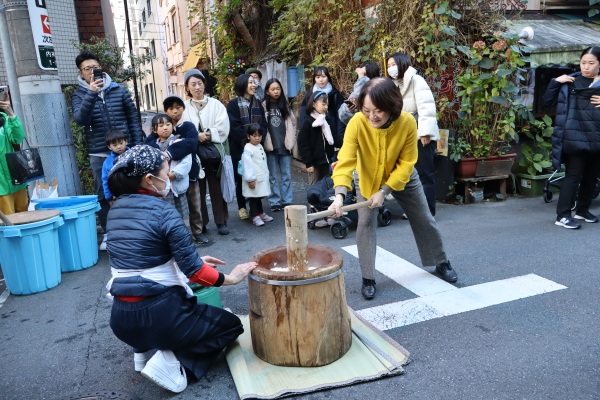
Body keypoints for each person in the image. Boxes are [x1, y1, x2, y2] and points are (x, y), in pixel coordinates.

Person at [105, 145, 257, 393]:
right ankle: (172, 361)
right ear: (149, 179)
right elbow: (195, 272)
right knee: (231, 326)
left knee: (140, 294)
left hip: (122, 321)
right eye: (166, 171)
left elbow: (140, 260)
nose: (169, 176)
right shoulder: (165, 211)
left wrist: (182, 260)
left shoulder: (116, 210)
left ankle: (141, 354)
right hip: (161, 317)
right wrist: (231, 278)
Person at [329, 78, 458, 300]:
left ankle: (440, 262)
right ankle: (368, 278)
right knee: (366, 223)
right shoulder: (357, 123)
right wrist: (339, 195)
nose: (372, 116)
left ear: (392, 106)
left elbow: (408, 162)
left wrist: (385, 191)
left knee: (424, 217)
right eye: (367, 110)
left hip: (403, 176)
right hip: (368, 177)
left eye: (378, 111)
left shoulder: (407, 122)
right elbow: (346, 160)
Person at [71, 50, 144, 249]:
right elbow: (80, 120)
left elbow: (133, 119)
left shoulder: (118, 90)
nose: (92, 71)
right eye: (87, 69)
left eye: (95, 67)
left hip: (125, 150)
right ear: (81, 73)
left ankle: (137, 230)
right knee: (103, 194)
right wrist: (92, 94)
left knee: (131, 189)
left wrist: (136, 146)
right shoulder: (79, 95)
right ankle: (108, 234)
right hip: (99, 153)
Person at [542, 46, 600, 229]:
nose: (586, 67)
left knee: (591, 177)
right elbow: (546, 103)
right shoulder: (570, 82)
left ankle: (582, 210)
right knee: (573, 176)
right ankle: (563, 215)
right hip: (575, 136)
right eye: (583, 62)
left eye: (591, 63)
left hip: (597, 136)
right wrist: (555, 82)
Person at [388, 52, 440, 216]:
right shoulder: (394, 85)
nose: (391, 69)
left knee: (424, 174)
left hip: (420, 134)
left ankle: (428, 211)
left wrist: (425, 133)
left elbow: (427, 107)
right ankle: (413, 210)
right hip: (404, 136)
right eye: (388, 66)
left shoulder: (416, 80)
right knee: (408, 173)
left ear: (402, 64)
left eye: (393, 65)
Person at [181, 69, 231, 236]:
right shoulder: (184, 107)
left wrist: (208, 134)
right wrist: (196, 135)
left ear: (204, 84)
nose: (197, 87)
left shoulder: (216, 104)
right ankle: (201, 223)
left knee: (217, 187)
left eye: (200, 83)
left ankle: (221, 220)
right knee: (197, 189)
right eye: (193, 84)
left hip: (213, 150)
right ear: (187, 87)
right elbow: (180, 129)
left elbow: (223, 125)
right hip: (194, 154)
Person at [160, 94, 207, 243]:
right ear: (165, 110)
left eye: (178, 107)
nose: (175, 111)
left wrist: (168, 153)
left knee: (195, 205)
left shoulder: (187, 126)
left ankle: (197, 232)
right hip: (168, 176)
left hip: (190, 172)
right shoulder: (162, 128)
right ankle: (178, 236)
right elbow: (151, 145)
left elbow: (191, 144)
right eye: (171, 108)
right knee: (173, 208)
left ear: (183, 108)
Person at [227, 74, 268, 221]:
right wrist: (247, 142)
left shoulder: (258, 103)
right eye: (250, 82)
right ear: (243, 84)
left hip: (256, 148)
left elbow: (264, 125)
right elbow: (234, 126)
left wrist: (257, 141)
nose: (254, 85)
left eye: (254, 82)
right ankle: (242, 206)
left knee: (255, 177)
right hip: (239, 148)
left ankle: (256, 210)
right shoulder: (233, 104)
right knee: (242, 177)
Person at [263, 78, 297, 211]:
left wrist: (291, 140)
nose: (276, 91)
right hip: (270, 146)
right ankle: (274, 201)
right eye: (273, 89)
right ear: (267, 91)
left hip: (284, 145)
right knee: (272, 176)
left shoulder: (285, 105)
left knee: (286, 175)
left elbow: (292, 123)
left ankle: (287, 200)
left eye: (278, 89)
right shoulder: (264, 106)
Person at [149, 113, 192, 218]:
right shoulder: (152, 146)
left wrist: (174, 174)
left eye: (168, 124)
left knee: (180, 216)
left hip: (175, 185)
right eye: (161, 125)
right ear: (154, 130)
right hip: (161, 186)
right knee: (164, 216)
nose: (165, 128)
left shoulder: (180, 142)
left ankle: (181, 233)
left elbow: (186, 162)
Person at [297, 91, 341, 187]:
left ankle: (323, 202)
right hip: (314, 161)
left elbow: (334, 137)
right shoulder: (308, 121)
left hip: (326, 160)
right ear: (314, 104)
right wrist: (308, 162)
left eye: (327, 105)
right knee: (314, 186)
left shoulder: (327, 119)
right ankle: (313, 202)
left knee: (326, 185)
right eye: (323, 104)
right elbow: (303, 143)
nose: (326, 107)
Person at [100, 129, 129, 250]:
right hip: (118, 196)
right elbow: (105, 180)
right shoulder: (108, 162)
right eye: (115, 145)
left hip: (135, 193)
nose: (119, 147)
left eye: (121, 143)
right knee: (122, 218)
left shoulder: (133, 155)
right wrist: (108, 196)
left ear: (126, 141)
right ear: (109, 147)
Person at [0, 94, 28, 215]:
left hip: (16, 180)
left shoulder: (4, 118)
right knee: (8, 224)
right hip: (1, 187)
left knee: (24, 219)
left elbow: (18, 138)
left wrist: (10, 113)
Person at [241, 123, 273, 226]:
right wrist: (250, 179)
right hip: (253, 178)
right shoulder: (248, 148)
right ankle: (255, 216)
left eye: (259, 135)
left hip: (260, 177)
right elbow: (247, 164)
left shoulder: (259, 146)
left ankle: (260, 213)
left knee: (258, 196)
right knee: (253, 198)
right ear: (248, 136)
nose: (257, 138)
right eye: (254, 136)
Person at [300, 66, 345, 138]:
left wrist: (339, 136)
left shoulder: (336, 94)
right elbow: (303, 115)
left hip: (332, 133)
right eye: (318, 77)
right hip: (313, 132)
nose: (321, 80)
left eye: (323, 76)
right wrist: (304, 134)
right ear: (314, 79)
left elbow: (341, 117)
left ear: (328, 78)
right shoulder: (309, 95)